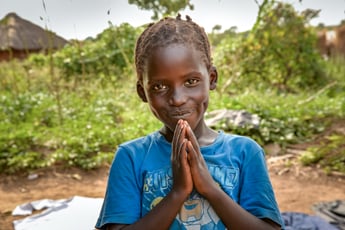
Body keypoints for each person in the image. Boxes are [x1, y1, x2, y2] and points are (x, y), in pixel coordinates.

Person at [95, 14, 284, 230]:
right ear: (142, 92)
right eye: (159, 87)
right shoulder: (131, 158)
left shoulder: (245, 153)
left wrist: (210, 189)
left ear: (211, 78)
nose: (177, 99)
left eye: (191, 81)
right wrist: (178, 192)